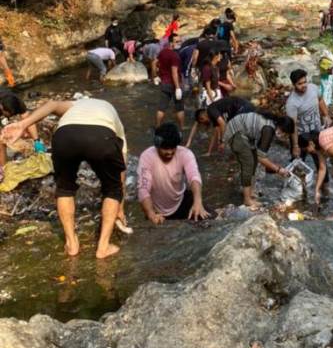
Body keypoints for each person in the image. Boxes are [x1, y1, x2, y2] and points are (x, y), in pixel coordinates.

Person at [1, 97, 127, 258]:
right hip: (101, 136)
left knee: (64, 189)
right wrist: (120, 209)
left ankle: (72, 244)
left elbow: (52, 104)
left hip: (64, 136)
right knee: (112, 189)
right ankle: (103, 247)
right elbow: (120, 171)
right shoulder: (113, 115)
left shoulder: (75, 106)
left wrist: (23, 124)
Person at [137, 123, 208, 224]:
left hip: (182, 201)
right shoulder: (147, 157)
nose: (169, 152)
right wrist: (151, 214)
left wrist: (197, 201)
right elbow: (143, 189)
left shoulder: (185, 154)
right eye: (165, 148)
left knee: (210, 221)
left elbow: (194, 177)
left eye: (173, 148)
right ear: (157, 145)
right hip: (157, 211)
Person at [221, 111, 293, 208]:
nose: (285, 137)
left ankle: (250, 192)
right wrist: (279, 170)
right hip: (235, 132)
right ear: (282, 129)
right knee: (249, 163)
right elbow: (261, 157)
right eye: (286, 134)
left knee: (253, 161)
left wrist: (274, 168)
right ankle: (247, 200)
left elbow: (259, 155)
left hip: (244, 132)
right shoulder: (268, 129)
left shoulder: (272, 125)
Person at [186, 96, 255, 154]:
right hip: (247, 107)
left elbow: (223, 124)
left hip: (244, 107)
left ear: (202, 118)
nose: (206, 123)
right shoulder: (213, 116)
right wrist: (209, 152)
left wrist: (222, 142)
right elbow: (215, 135)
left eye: (203, 121)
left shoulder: (210, 110)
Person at [286, 69, 329, 158]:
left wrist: (326, 115)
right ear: (293, 85)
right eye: (300, 84)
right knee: (298, 161)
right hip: (301, 135)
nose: (304, 85)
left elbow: (320, 100)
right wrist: (295, 145)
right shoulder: (292, 103)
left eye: (305, 82)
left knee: (320, 159)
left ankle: (322, 171)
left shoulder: (313, 88)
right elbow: (292, 126)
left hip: (316, 131)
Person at [0, 90, 37, 167]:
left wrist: (37, 140)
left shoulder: (16, 101)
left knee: (27, 133)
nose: (10, 116)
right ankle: (2, 168)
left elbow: (28, 119)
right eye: (8, 114)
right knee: (1, 141)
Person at [156, 33, 185, 130]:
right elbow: (174, 73)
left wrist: (156, 76)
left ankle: (158, 127)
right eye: (177, 41)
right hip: (173, 84)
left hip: (164, 83)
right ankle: (181, 128)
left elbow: (154, 62)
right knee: (179, 108)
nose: (179, 43)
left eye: (180, 41)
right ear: (171, 43)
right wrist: (177, 88)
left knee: (162, 107)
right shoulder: (174, 56)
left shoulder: (162, 52)